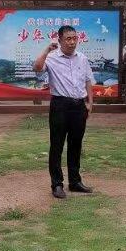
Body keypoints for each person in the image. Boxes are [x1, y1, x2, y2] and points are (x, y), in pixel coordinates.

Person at [33, 25, 94, 199]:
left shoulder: (82, 58)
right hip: (60, 105)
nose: (72, 42)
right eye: (68, 39)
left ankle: (75, 182)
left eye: (75, 38)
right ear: (59, 40)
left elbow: (88, 80)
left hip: (79, 106)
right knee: (57, 145)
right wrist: (46, 50)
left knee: (76, 144)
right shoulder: (51, 58)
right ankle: (57, 184)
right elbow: (37, 68)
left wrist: (90, 103)